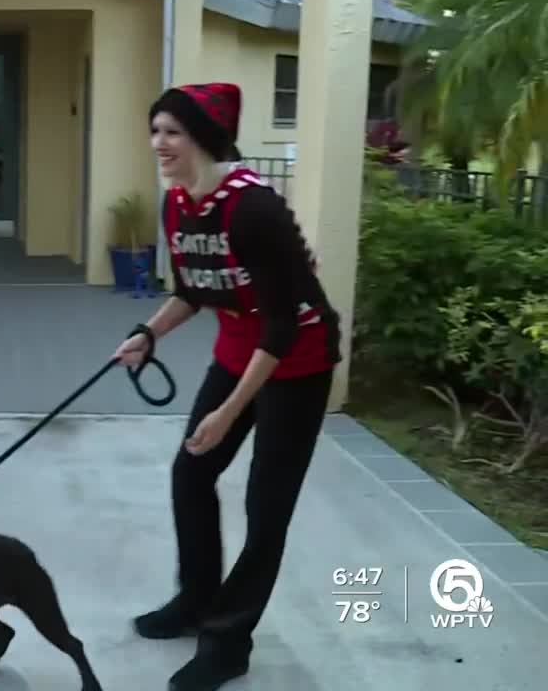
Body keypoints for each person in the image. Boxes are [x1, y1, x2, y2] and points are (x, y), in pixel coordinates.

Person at [113, 82, 341, 691]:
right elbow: (195, 290)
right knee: (190, 474)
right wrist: (148, 334)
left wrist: (230, 410)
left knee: (266, 508)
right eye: (155, 130)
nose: (158, 143)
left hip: (298, 358)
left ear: (202, 140)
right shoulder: (179, 205)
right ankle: (195, 601)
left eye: (172, 132)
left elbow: (284, 323)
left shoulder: (253, 208)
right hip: (239, 350)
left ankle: (229, 640)